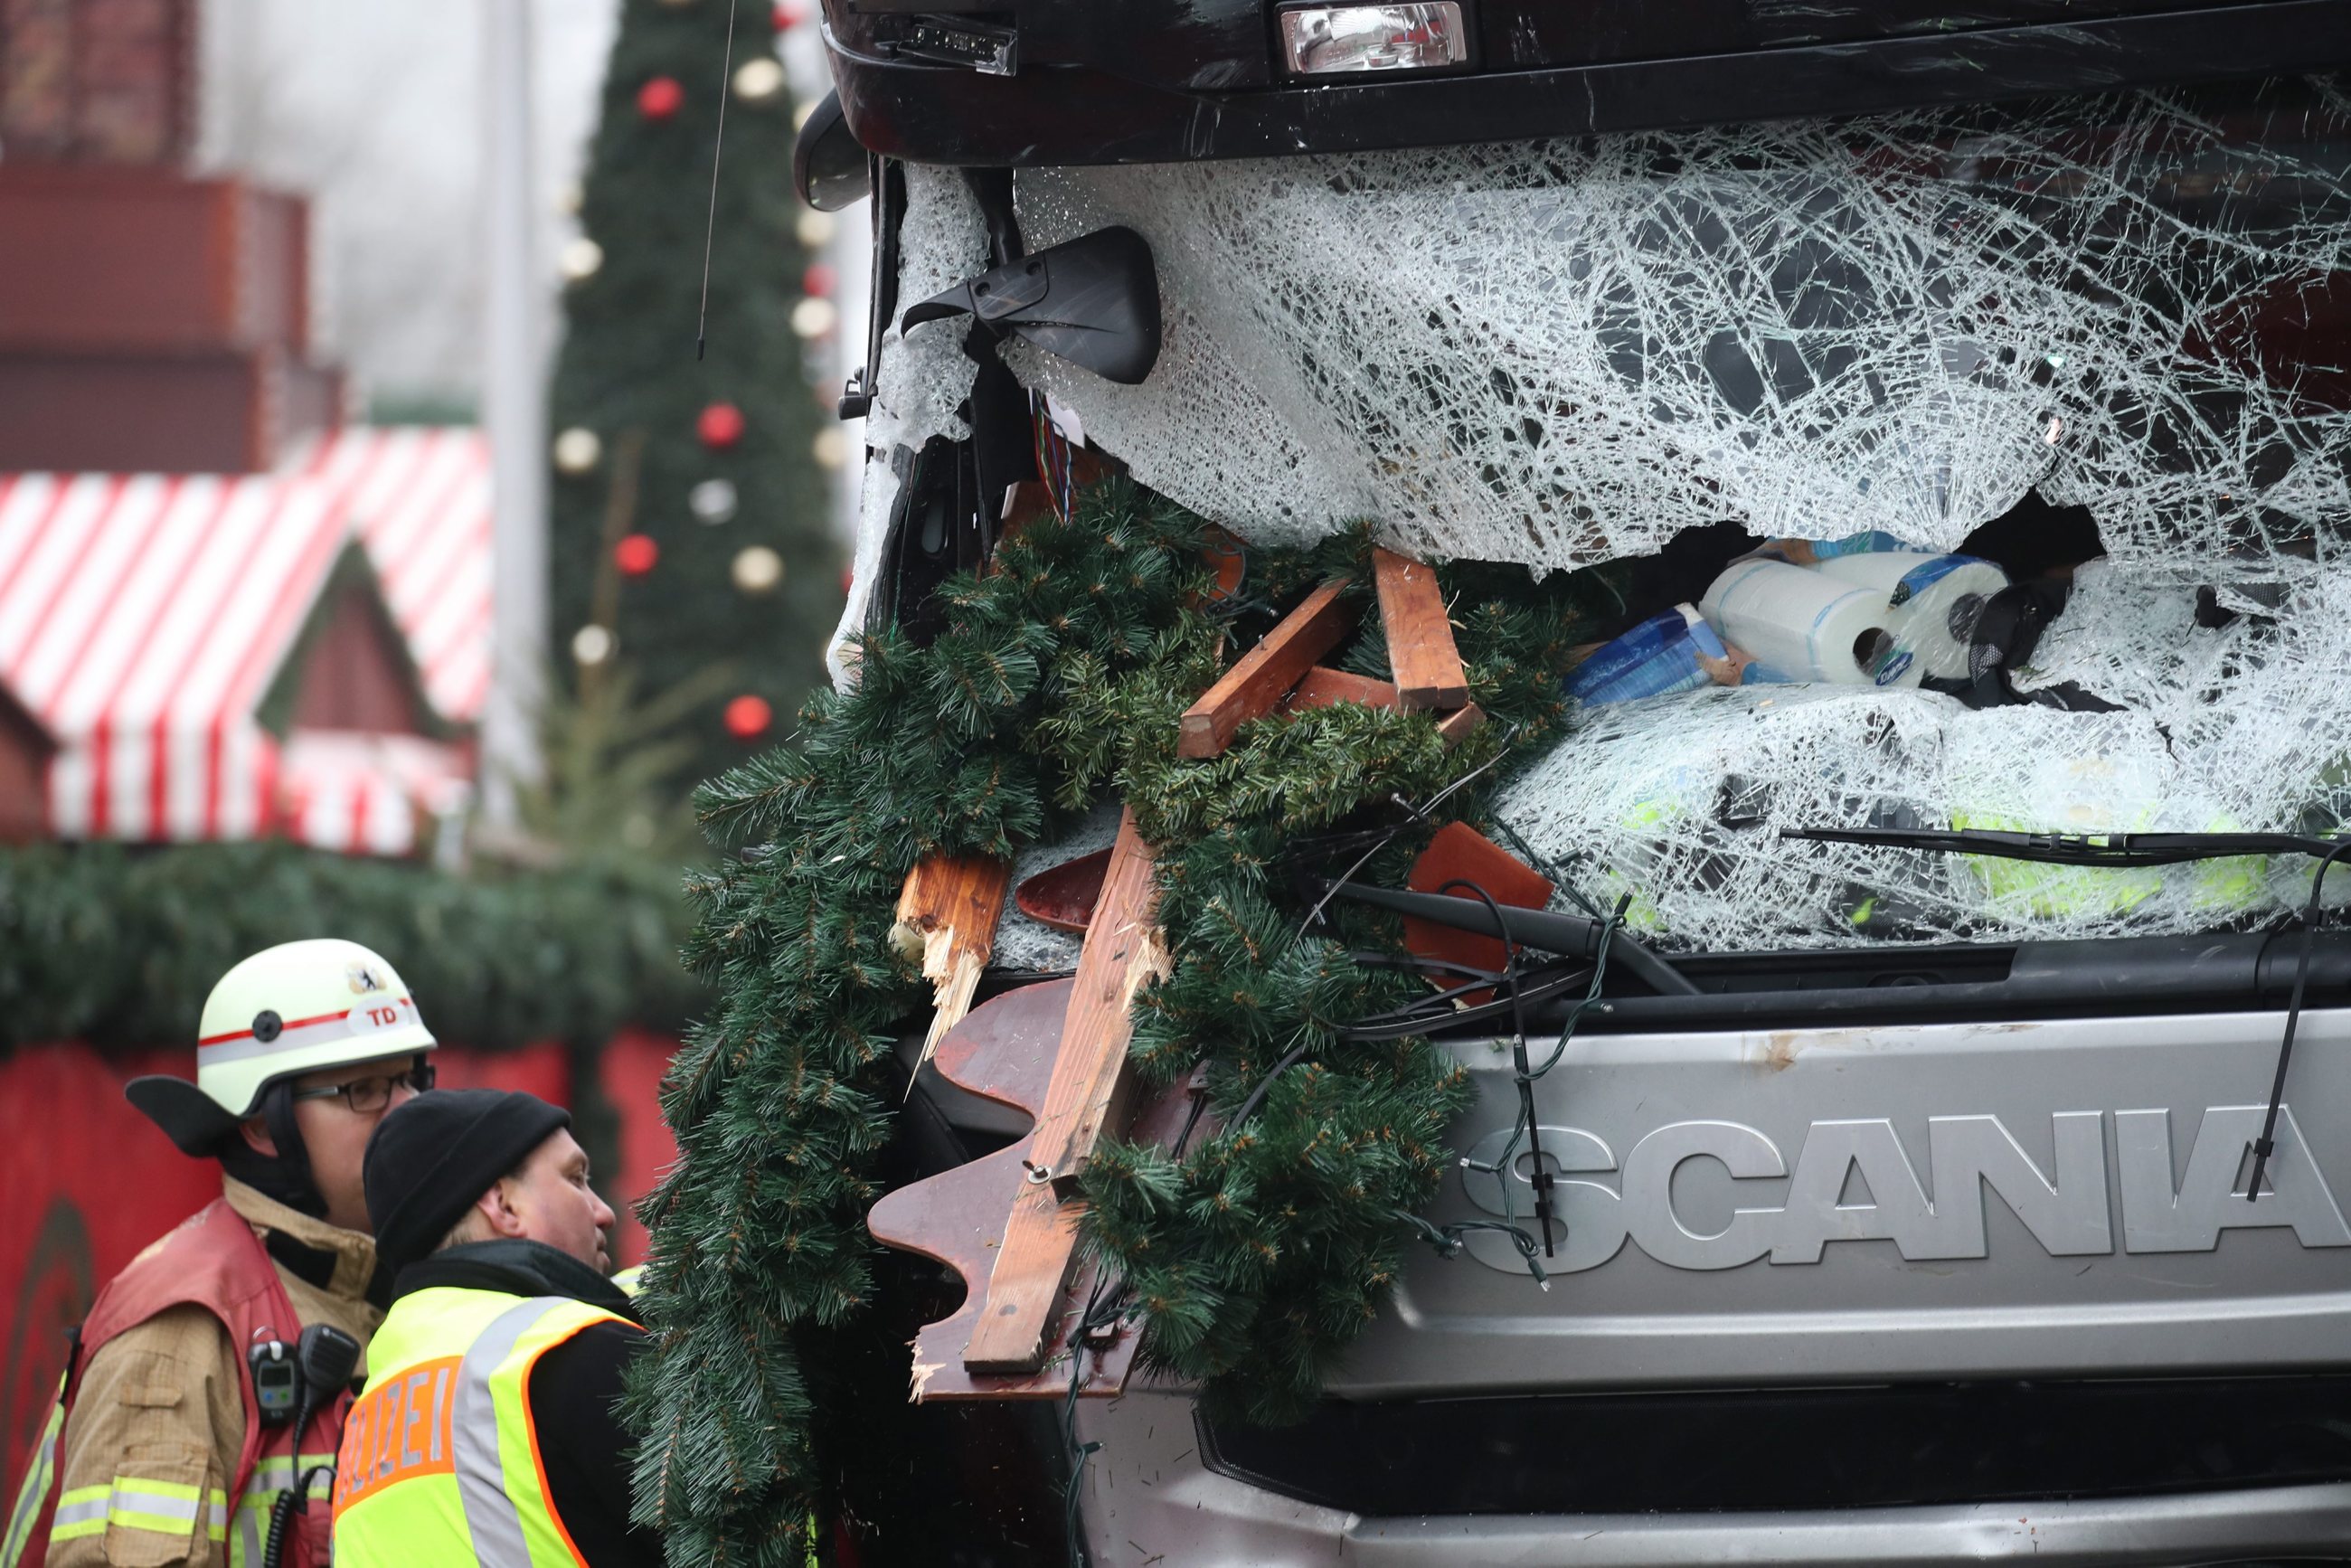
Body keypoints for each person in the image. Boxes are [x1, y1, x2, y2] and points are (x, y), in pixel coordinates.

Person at [4, 939, 437, 1568]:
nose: (408, 1113)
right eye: (364, 1090)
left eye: (409, 1081)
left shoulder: (390, 1286)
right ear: (263, 1124)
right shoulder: (179, 1334)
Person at [328, 1090, 659, 1568]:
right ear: (503, 1205)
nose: (603, 1210)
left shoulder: (365, 1419)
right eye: (575, 1178)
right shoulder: (570, 1350)